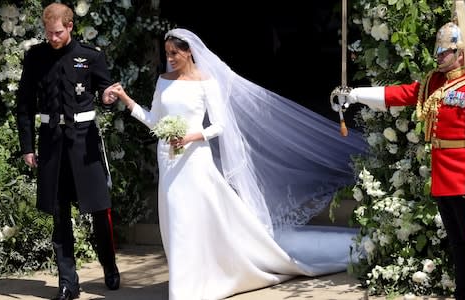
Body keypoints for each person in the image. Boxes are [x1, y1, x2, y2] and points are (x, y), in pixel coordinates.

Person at [106, 28, 367, 299]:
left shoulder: (207, 82)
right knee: (175, 219)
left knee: (193, 218)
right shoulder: (163, 81)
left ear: (189, 52)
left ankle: (190, 287)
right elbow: (153, 120)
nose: (170, 58)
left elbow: (220, 124)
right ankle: (186, 281)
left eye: (175, 53)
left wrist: (193, 136)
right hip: (168, 161)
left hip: (195, 159)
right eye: (167, 53)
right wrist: (126, 99)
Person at [343, 2, 465, 299]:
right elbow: (399, 95)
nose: (439, 57)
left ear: (460, 53)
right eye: (438, 52)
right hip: (443, 178)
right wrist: (356, 94)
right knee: (456, 243)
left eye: (445, 52)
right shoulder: (433, 82)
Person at [16, 3, 120, 300]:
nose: (53, 38)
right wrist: (27, 147)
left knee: (100, 209)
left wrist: (108, 96)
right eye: (48, 33)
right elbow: (24, 105)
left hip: (84, 142)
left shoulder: (90, 56)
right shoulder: (35, 56)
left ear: (71, 26)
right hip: (52, 144)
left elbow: (104, 90)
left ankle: (109, 266)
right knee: (59, 213)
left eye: (58, 33)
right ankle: (67, 283)